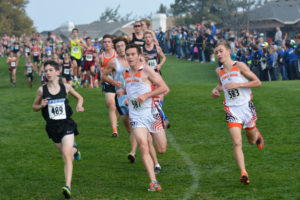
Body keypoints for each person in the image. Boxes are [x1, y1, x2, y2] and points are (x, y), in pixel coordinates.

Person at [211, 41, 264, 185]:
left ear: (228, 51)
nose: (219, 54)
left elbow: (257, 82)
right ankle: (244, 173)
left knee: (251, 141)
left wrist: (239, 84)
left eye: (221, 51)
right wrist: (216, 90)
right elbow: (222, 84)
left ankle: (256, 134)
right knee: (236, 142)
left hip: (246, 107)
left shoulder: (239, 66)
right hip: (231, 110)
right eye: (216, 52)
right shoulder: (219, 70)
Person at [120, 43, 168, 191]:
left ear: (139, 55)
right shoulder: (125, 72)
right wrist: (125, 94)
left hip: (151, 113)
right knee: (142, 144)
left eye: (133, 54)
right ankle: (153, 182)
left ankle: (152, 137)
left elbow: (164, 88)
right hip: (136, 115)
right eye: (128, 54)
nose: (130, 57)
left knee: (161, 149)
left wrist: (147, 95)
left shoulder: (147, 71)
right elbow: (132, 88)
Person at [32, 60, 84, 199]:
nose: (48, 73)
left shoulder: (66, 87)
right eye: (46, 70)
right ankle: (76, 150)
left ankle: (67, 186)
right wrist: (41, 105)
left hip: (66, 124)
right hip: (52, 128)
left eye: (50, 70)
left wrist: (79, 105)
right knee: (68, 153)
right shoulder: (41, 90)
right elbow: (34, 107)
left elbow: (80, 97)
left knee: (66, 155)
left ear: (57, 72)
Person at [102, 37, 138, 162]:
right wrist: (113, 82)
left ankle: (133, 152)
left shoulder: (134, 60)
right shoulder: (113, 62)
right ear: (115, 48)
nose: (121, 48)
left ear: (126, 46)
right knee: (128, 127)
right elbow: (103, 76)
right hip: (120, 96)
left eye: (122, 46)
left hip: (134, 95)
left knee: (135, 124)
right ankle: (138, 140)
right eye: (118, 46)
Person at [99, 34, 118, 137]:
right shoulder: (101, 56)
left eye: (108, 42)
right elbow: (101, 70)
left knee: (117, 106)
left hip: (119, 83)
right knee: (111, 104)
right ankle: (114, 130)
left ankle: (116, 120)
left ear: (112, 43)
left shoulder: (117, 54)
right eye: (105, 42)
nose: (106, 44)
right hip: (108, 83)